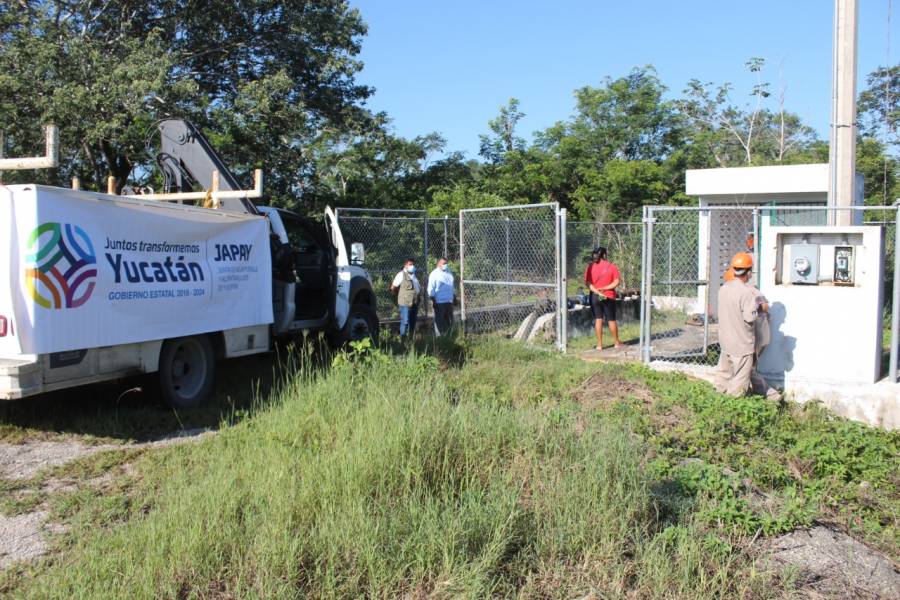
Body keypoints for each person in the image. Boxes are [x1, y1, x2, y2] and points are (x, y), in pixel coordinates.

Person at [716, 254, 780, 401]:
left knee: (724, 375)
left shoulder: (723, 288)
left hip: (726, 342)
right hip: (742, 344)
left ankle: (772, 396)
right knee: (740, 381)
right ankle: (732, 407)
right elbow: (750, 317)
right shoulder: (747, 293)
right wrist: (761, 307)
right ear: (749, 272)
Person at [583, 246, 623, 351]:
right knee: (611, 319)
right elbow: (616, 282)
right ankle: (616, 342)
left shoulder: (590, 267)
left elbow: (588, 283)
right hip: (608, 295)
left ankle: (599, 345)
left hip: (595, 297)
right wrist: (604, 290)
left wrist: (597, 291)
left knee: (598, 319)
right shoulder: (611, 266)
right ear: (604, 255)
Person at [391, 258, 420, 336]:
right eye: (410, 264)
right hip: (405, 304)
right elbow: (393, 287)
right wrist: (399, 296)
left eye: (413, 264)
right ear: (405, 265)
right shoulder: (401, 274)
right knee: (405, 321)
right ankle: (403, 340)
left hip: (414, 303)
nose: (412, 266)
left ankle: (410, 339)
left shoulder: (413, 276)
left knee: (412, 321)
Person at [427, 258, 455, 336]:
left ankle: (449, 337)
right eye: (443, 263)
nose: (445, 265)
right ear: (438, 264)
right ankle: (439, 339)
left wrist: (454, 297)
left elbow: (452, 286)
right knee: (439, 322)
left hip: (449, 301)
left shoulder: (449, 272)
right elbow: (431, 289)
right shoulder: (434, 274)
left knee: (449, 321)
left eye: (446, 263)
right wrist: (433, 300)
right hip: (439, 302)